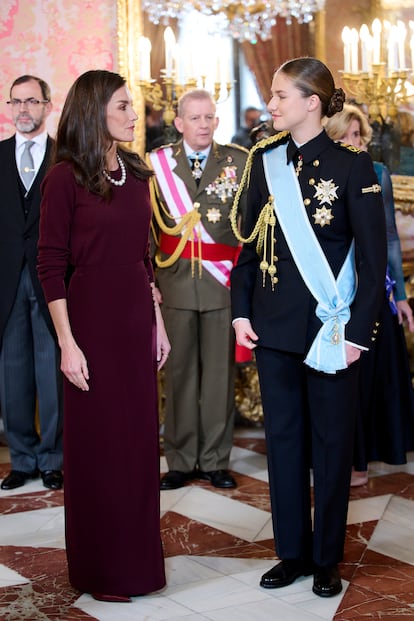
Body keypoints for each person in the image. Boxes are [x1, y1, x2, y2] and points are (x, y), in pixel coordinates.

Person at [230, 57, 387, 598]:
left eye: (279, 95)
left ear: (311, 102)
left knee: (331, 446)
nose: (270, 104)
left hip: (330, 333)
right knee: (284, 444)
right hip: (272, 332)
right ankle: (291, 553)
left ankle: (326, 559)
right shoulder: (264, 160)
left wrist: (356, 336)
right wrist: (241, 311)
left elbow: (372, 263)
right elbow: (248, 248)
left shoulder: (352, 167)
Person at [37, 69, 169, 602]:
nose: (133, 115)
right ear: (95, 111)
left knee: (137, 448)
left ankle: (139, 567)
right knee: (98, 450)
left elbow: (146, 259)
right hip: (89, 326)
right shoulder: (64, 178)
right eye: (122, 106)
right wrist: (68, 343)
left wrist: (157, 324)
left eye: (132, 106)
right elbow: (50, 265)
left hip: (137, 321)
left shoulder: (137, 173)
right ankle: (101, 570)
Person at [148, 89, 248, 491]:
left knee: (219, 377)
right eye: (195, 118)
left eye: (209, 117)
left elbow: (249, 226)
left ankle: (215, 460)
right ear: (179, 123)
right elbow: (148, 228)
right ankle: (181, 459)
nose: (203, 124)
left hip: (221, 284)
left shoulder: (238, 162)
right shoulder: (156, 165)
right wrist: (148, 281)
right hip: (173, 284)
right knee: (180, 374)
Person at [324, 103, 414, 486]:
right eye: (344, 136)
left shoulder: (377, 173)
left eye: (357, 136)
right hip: (332, 289)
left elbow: (391, 237)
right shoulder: (321, 175)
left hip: (373, 286)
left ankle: (366, 456)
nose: (353, 142)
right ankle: (343, 458)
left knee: (371, 374)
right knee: (341, 377)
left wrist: (402, 294)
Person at [0, 75, 63, 492]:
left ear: (47, 105)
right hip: (5, 280)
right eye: (16, 102)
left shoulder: (66, 158)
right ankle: (21, 458)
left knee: (51, 370)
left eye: (32, 101)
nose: (24, 109)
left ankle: (53, 459)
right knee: (13, 372)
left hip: (51, 279)